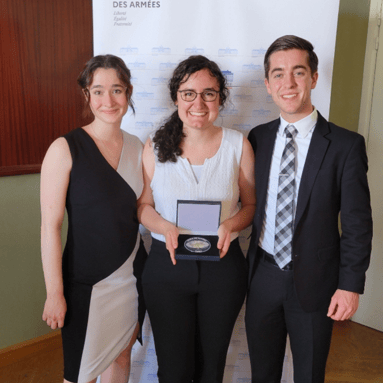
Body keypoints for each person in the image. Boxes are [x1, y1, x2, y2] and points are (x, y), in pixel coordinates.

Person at [245, 35, 373, 383]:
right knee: (263, 375)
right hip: (263, 278)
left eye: (298, 72)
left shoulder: (346, 146)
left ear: (314, 78)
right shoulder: (257, 138)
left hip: (317, 284)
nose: (288, 83)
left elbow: (358, 223)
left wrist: (350, 286)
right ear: (268, 84)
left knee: (310, 375)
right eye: (278, 74)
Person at [138, 55, 256, 383]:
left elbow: (250, 206)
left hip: (222, 267)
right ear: (176, 97)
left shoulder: (238, 145)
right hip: (167, 267)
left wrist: (231, 225)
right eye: (189, 93)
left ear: (220, 97)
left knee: (211, 367)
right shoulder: (155, 146)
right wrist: (164, 227)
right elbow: (143, 205)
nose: (199, 102)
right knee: (173, 370)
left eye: (209, 93)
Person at [40, 54, 146, 383]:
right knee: (79, 374)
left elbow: (144, 210)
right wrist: (55, 292)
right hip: (85, 282)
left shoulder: (138, 146)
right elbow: (49, 227)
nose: (108, 100)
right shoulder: (64, 148)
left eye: (117, 89)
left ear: (128, 92)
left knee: (123, 355)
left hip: (131, 274)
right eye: (98, 91)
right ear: (86, 94)